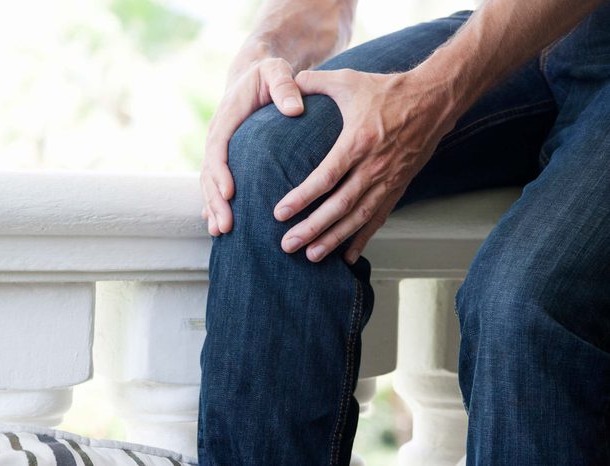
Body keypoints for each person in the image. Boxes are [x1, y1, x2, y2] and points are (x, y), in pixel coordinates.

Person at [197, 0, 610, 464]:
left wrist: (437, 92)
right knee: (269, 155)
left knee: (521, 304)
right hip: (528, 29)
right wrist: (264, 51)